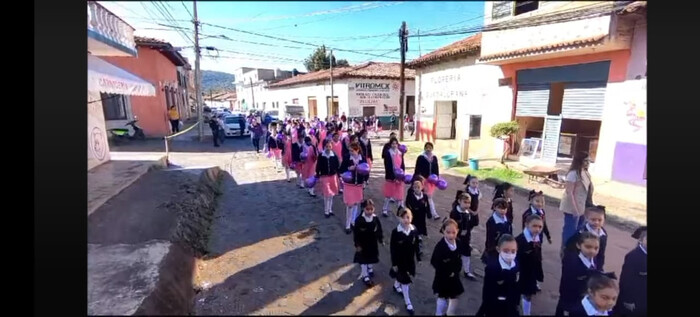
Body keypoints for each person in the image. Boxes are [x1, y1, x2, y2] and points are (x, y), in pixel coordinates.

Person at [556, 232, 603, 316]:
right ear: (578, 245)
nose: (592, 251)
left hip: (584, 300)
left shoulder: (594, 259)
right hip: (570, 300)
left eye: (596, 248)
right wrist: (566, 306)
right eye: (588, 247)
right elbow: (566, 285)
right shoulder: (572, 262)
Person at [390, 208, 423, 315]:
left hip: (410, 260)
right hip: (400, 260)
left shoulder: (414, 230)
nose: (406, 220)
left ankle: (396, 285)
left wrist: (418, 257)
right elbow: (393, 249)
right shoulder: (396, 232)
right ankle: (407, 302)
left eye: (408, 217)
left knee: (403, 277)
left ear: (411, 217)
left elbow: (417, 245)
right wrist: (394, 263)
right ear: (399, 219)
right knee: (406, 281)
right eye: (403, 218)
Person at [560, 151, 594, 253]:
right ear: (579, 161)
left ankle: (575, 248)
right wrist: (575, 209)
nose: (588, 162)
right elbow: (569, 193)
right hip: (571, 206)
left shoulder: (586, 173)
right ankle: (566, 249)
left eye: (589, 160)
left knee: (580, 229)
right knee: (570, 230)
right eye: (585, 160)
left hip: (582, 206)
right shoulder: (573, 174)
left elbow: (588, 191)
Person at [479, 234, 519, 317]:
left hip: (511, 306)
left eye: (513, 251)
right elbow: (487, 293)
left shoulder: (516, 265)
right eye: (506, 251)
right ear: (498, 249)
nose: (510, 254)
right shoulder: (492, 268)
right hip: (495, 307)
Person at [431, 219, 464, 316]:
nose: (451, 235)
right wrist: (446, 272)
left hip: (454, 276)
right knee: (442, 297)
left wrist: (457, 270)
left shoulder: (458, 242)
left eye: (453, 232)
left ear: (457, 231)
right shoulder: (440, 246)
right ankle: (439, 313)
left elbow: (459, 258)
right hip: (443, 277)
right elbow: (434, 261)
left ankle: (449, 313)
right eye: (448, 232)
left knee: (454, 296)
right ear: (443, 231)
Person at [613, 226, 646, 317]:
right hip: (632, 302)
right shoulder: (634, 257)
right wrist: (628, 300)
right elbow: (626, 281)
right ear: (641, 240)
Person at [522, 190, 551, 291]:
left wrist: (548, 236)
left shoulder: (542, 213)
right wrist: (528, 240)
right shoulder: (527, 214)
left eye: (542, 202)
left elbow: (544, 225)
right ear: (531, 201)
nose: (540, 204)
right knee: (528, 261)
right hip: (530, 242)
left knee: (537, 261)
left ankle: (535, 281)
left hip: (538, 241)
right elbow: (524, 229)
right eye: (537, 201)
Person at [517, 215, 545, 316]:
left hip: (531, 271)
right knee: (520, 293)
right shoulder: (520, 240)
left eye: (540, 227)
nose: (537, 229)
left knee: (527, 294)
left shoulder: (537, 239)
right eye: (534, 226)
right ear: (526, 225)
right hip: (522, 272)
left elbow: (538, 256)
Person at [564, 206, 608, 270]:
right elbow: (569, 246)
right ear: (587, 218)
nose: (596, 222)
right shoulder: (581, 232)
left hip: (593, 262)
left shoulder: (603, 234)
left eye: (600, 220)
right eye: (593, 219)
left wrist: (600, 268)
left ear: (604, 220)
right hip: (579, 264)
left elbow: (601, 253)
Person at [353, 199, 384, 287]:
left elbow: (379, 229)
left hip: (372, 242)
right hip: (362, 243)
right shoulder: (359, 220)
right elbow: (356, 233)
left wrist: (380, 239)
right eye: (367, 209)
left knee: (371, 257)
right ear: (363, 209)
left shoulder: (375, 218)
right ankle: (365, 275)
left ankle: (369, 268)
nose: (370, 211)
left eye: (371, 209)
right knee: (363, 260)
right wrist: (357, 244)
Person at [339, 142, 369, 234]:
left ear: (357, 150)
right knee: (349, 205)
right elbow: (341, 170)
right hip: (349, 184)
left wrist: (365, 181)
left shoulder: (362, 158)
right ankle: (348, 225)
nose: (350, 152)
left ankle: (353, 221)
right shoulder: (347, 157)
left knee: (356, 204)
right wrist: (349, 168)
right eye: (350, 150)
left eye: (352, 151)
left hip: (358, 184)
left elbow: (367, 170)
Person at [449, 192, 479, 280]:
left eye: (468, 203)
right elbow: (452, 225)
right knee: (455, 254)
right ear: (459, 201)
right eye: (465, 202)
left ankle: (466, 271)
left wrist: (475, 214)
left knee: (466, 254)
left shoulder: (468, 213)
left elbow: (474, 223)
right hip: (456, 238)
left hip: (466, 238)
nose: (467, 205)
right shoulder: (455, 212)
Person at [481, 198, 513, 264]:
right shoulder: (491, 222)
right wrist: (492, 248)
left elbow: (510, 233)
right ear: (495, 207)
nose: (502, 211)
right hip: (494, 249)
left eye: (505, 208)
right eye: (500, 208)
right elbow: (490, 238)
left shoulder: (507, 221)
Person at [414, 142, 441, 219]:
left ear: (432, 149)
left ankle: (431, 213)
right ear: (424, 148)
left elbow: (436, 169)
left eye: (430, 147)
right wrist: (419, 178)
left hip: (431, 181)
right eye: (427, 147)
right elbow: (417, 169)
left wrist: (437, 179)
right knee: (426, 197)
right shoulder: (421, 157)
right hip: (423, 180)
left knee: (428, 197)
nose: (428, 149)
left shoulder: (434, 158)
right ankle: (431, 213)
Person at [316, 139, 340, 217]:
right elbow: (318, 165)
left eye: (329, 146)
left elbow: (337, 165)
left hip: (333, 176)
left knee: (332, 194)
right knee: (327, 194)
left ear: (332, 146)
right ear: (324, 146)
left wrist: (338, 174)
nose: (328, 148)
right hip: (324, 176)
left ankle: (330, 209)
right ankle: (326, 210)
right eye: (326, 146)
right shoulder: (321, 155)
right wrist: (318, 174)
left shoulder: (334, 155)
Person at [382, 137, 405, 216]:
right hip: (391, 176)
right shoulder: (388, 153)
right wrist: (393, 176)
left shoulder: (400, 153)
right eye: (393, 144)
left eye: (396, 144)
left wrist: (402, 175)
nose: (394, 145)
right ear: (390, 144)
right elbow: (387, 166)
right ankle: (385, 209)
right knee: (388, 194)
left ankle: (401, 209)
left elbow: (402, 165)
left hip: (399, 176)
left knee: (400, 194)